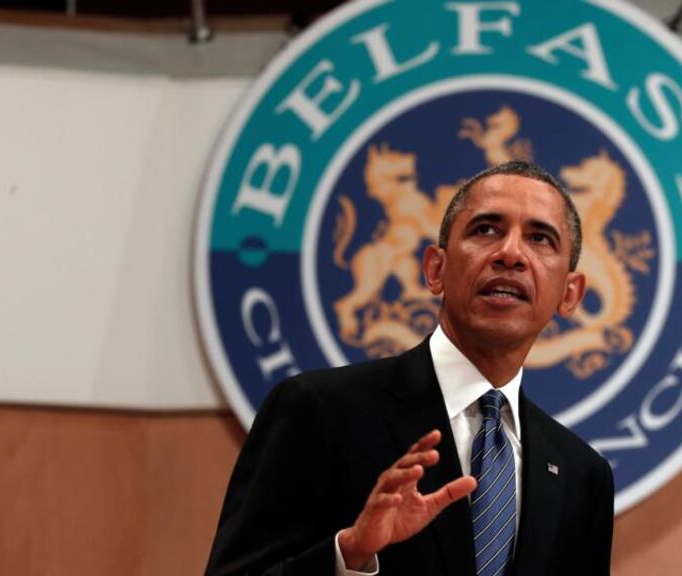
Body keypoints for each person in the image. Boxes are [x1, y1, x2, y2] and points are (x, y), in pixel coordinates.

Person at [205, 161, 614, 576]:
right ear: (435, 269)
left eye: (539, 238)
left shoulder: (582, 475)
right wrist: (348, 555)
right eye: (486, 230)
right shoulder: (319, 410)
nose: (510, 253)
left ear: (570, 293)